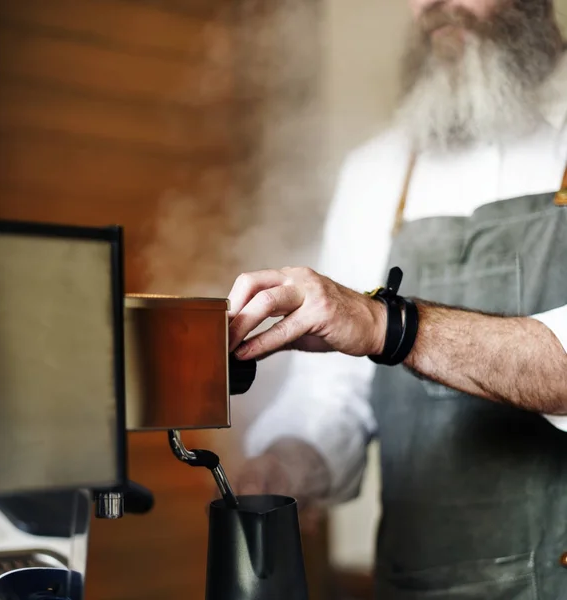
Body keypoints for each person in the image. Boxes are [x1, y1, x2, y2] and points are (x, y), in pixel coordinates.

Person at [226, 0, 567, 598]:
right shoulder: (376, 172)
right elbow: (335, 397)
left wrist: (390, 324)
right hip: (422, 582)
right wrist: (285, 464)